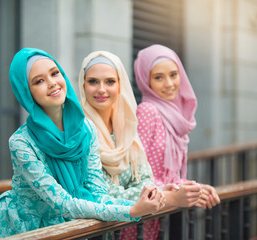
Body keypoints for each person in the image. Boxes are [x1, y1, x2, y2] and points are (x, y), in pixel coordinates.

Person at [0, 48, 167, 240]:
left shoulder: (86, 129)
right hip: (14, 228)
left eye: (54, 73)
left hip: (65, 226)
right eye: (39, 81)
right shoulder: (21, 142)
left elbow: (97, 194)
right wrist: (132, 211)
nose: (52, 83)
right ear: (27, 92)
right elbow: (63, 203)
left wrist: (138, 203)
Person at [78, 51, 205, 240]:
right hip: (92, 231)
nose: (101, 89)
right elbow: (101, 193)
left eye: (110, 82)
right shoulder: (80, 131)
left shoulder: (126, 126)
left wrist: (162, 191)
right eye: (93, 82)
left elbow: (144, 178)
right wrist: (166, 196)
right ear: (82, 84)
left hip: (123, 225)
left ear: (121, 84)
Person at [134, 44, 220, 210]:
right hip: (147, 210)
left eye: (173, 75)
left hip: (165, 207)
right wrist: (177, 193)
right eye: (158, 77)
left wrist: (197, 188)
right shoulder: (147, 111)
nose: (169, 83)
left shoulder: (175, 116)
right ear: (146, 80)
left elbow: (170, 178)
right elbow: (137, 173)